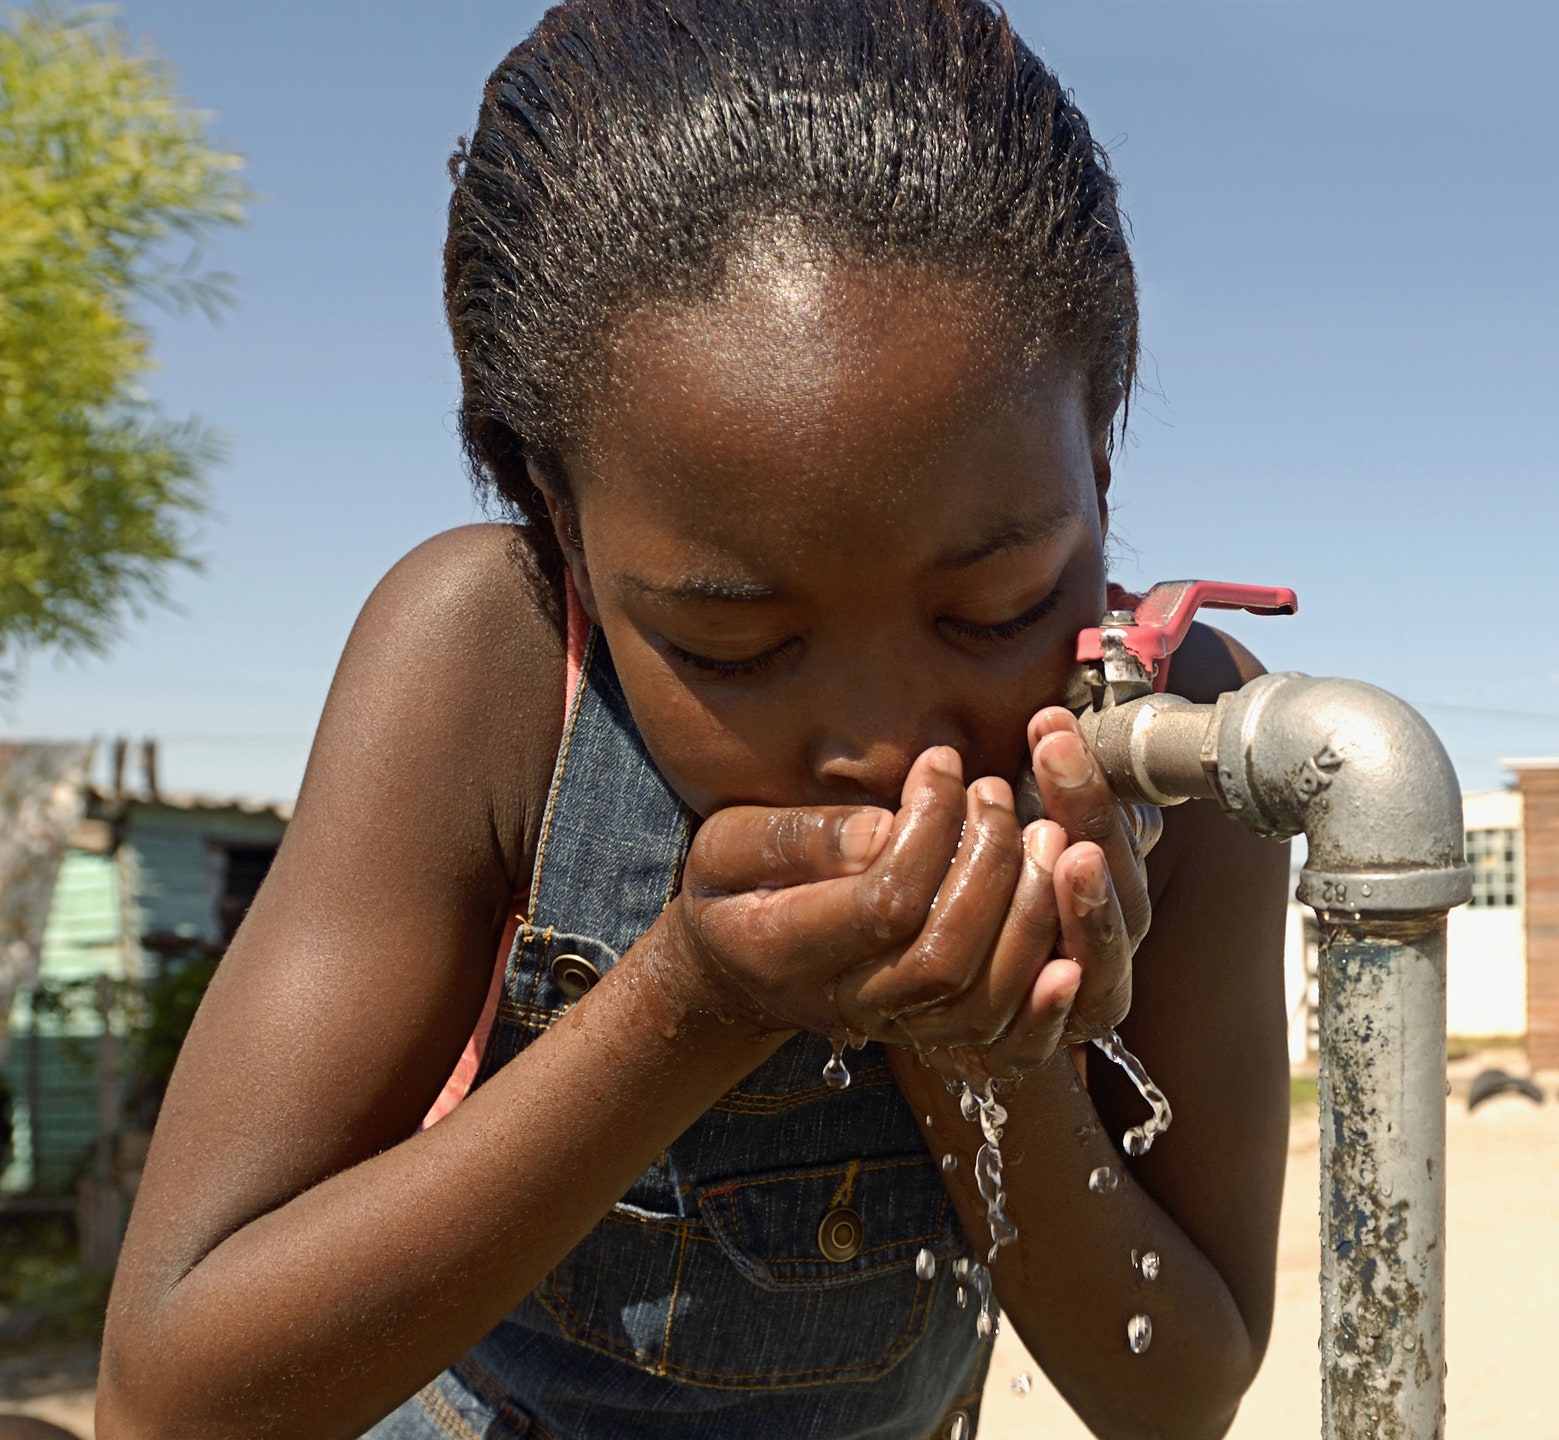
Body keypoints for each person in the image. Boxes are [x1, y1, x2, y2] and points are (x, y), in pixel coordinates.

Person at [96, 6, 1291, 1437]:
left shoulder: (1188, 744)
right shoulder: (492, 662)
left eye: (993, 608)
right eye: (736, 644)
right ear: (566, 528)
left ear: (1097, 463)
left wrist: (991, 1056)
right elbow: (173, 1398)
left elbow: (1175, 1393)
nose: (885, 747)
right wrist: (687, 1006)